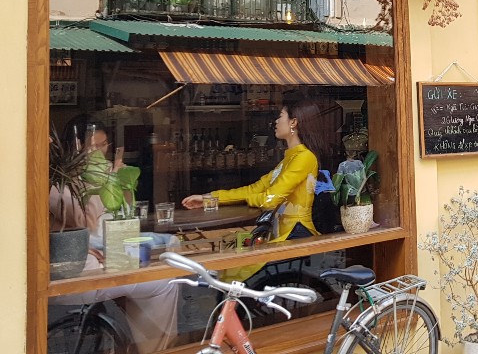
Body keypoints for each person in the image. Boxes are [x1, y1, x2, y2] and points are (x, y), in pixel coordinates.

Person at [49, 125, 179, 354]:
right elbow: (85, 219)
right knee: (163, 282)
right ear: (76, 148)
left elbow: (124, 210)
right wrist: (106, 179)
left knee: (157, 263)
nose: (99, 152)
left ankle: (146, 344)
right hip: (79, 273)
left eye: (103, 145)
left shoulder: (91, 175)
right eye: (92, 147)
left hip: (107, 258)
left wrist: (121, 183)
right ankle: (158, 349)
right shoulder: (61, 181)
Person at [182, 99, 329, 241]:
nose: (276, 121)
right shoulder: (290, 159)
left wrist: (250, 199)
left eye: (280, 116)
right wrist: (209, 198)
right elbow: (253, 189)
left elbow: (269, 200)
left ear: (293, 122)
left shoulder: (304, 157)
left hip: (295, 233)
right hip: (281, 232)